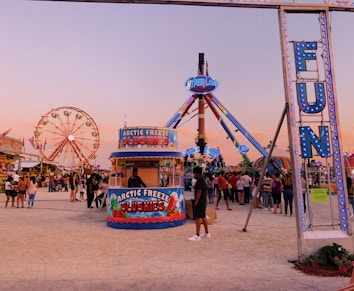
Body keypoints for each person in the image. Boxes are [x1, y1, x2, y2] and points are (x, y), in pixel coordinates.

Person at [188, 166, 210, 241]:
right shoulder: (203, 180)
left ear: (197, 174)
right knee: (203, 216)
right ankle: (207, 232)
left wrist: (196, 202)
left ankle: (197, 235)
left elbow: (199, 191)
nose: (194, 175)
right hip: (203, 201)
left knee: (197, 217)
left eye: (194, 174)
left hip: (200, 202)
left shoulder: (200, 180)